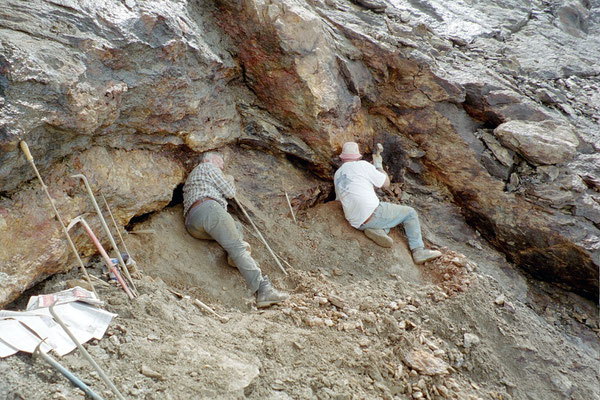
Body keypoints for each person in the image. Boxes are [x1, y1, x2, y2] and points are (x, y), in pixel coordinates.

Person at [182, 151, 289, 308]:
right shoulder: (207, 167)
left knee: (236, 226)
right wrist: (229, 179)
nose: (222, 166)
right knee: (238, 248)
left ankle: (234, 254)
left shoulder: (196, 177)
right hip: (209, 208)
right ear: (207, 159)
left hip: (193, 222)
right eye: (219, 161)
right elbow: (230, 192)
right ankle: (263, 289)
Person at [333, 142, 442, 264]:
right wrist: (378, 165)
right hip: (372, 213)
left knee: (384, 215)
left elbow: (342, 198)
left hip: (356, 222)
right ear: (358, 157)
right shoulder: (362, 165)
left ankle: (379, 230)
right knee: (410, 213)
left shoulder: (338, 175)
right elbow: (385, 184)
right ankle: (419, 251)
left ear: (342, 158)